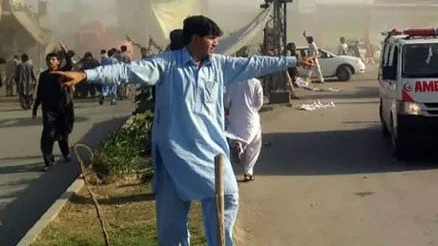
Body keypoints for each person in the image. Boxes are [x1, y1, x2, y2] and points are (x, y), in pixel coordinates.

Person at [52, 15, 315, 246]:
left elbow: (256, 64)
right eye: (212, 38)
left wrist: (295, 60)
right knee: (171, 228)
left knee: (227, 197)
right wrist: (86, 76)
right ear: (195, 39)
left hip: (212, 154)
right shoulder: (167, 65)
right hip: (173, 155)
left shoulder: (220, 66)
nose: (216, 43)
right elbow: (128, 71)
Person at [33, 50, 75, 170]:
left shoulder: (62, 73)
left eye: (53, 60)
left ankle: (66, 154)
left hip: (62, 109)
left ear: (58, 62)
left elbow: (70, 65)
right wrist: (35, 108)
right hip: (48, 110)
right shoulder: (44, 75)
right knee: (48, 134)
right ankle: (49, 161)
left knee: (63, 133)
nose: (50, 62)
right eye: (48, 60)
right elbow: (40, 92)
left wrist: (66, 52)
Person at [224, 78, 264, 182]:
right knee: (254, 144)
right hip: (251, 117)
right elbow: (259, 103)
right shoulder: (255, 82)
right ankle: (248, 172)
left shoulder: (232, 81)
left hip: (234, 116)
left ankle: (238, 145)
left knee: (235, 135)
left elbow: (226, 102)